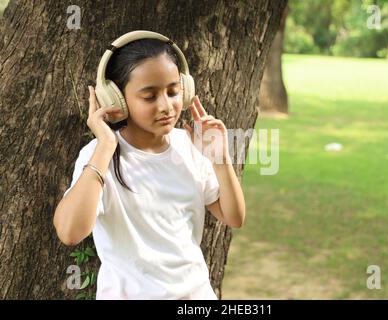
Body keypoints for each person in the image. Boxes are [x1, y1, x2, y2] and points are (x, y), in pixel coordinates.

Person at [53, 31, 246, 300]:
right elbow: (70, 232)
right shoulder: (98, 156)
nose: (166, 106)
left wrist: (220, 161)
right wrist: (105, 146)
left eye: (173, 91)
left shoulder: (190, 145)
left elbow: (233, 217)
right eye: (149, 96)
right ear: (116, 99)